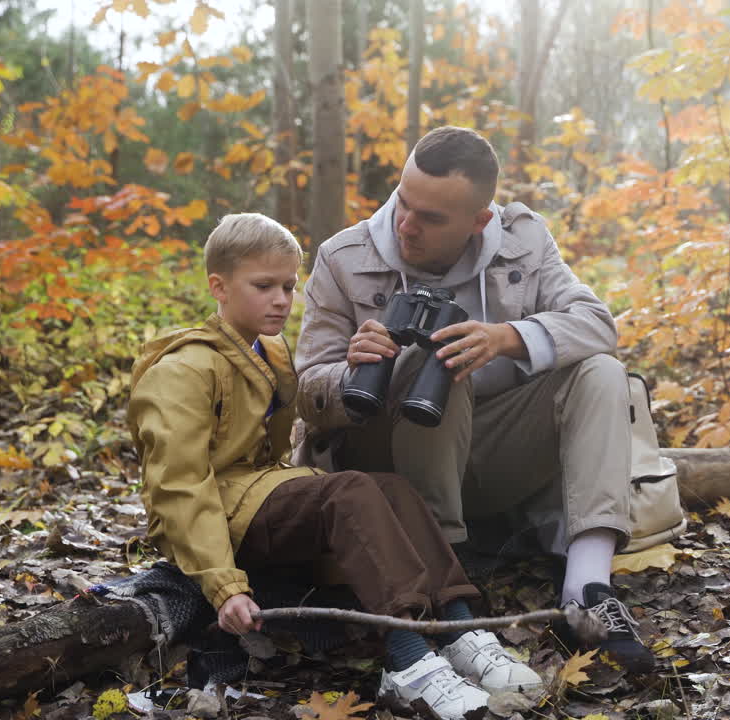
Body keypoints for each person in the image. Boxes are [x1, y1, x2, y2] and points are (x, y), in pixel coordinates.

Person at [127, 213, 541, 720]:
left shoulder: (269, 351)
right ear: (219, 285)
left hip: (257, 495)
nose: (282, 299)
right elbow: (178, 487)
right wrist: (224, 585)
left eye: (288, 285)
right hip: (217, 517)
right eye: (263, 286)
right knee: (347, 492)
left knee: (388, 487)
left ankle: (457, 627)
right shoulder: (184, 369)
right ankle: (409, 662)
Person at [293, 127, 654, 672]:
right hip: (391, 472)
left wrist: (506, 338)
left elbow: (599, 325)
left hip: (492, 452)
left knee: (601, 371)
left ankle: (587, 591)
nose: (406, 225)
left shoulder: (524, 242)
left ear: (481, 221)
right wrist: (353, 369)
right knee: (433, 358)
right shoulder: (344, 257)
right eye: (403, 203)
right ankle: (446, 573)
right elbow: (304, 391)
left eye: (431, 218)